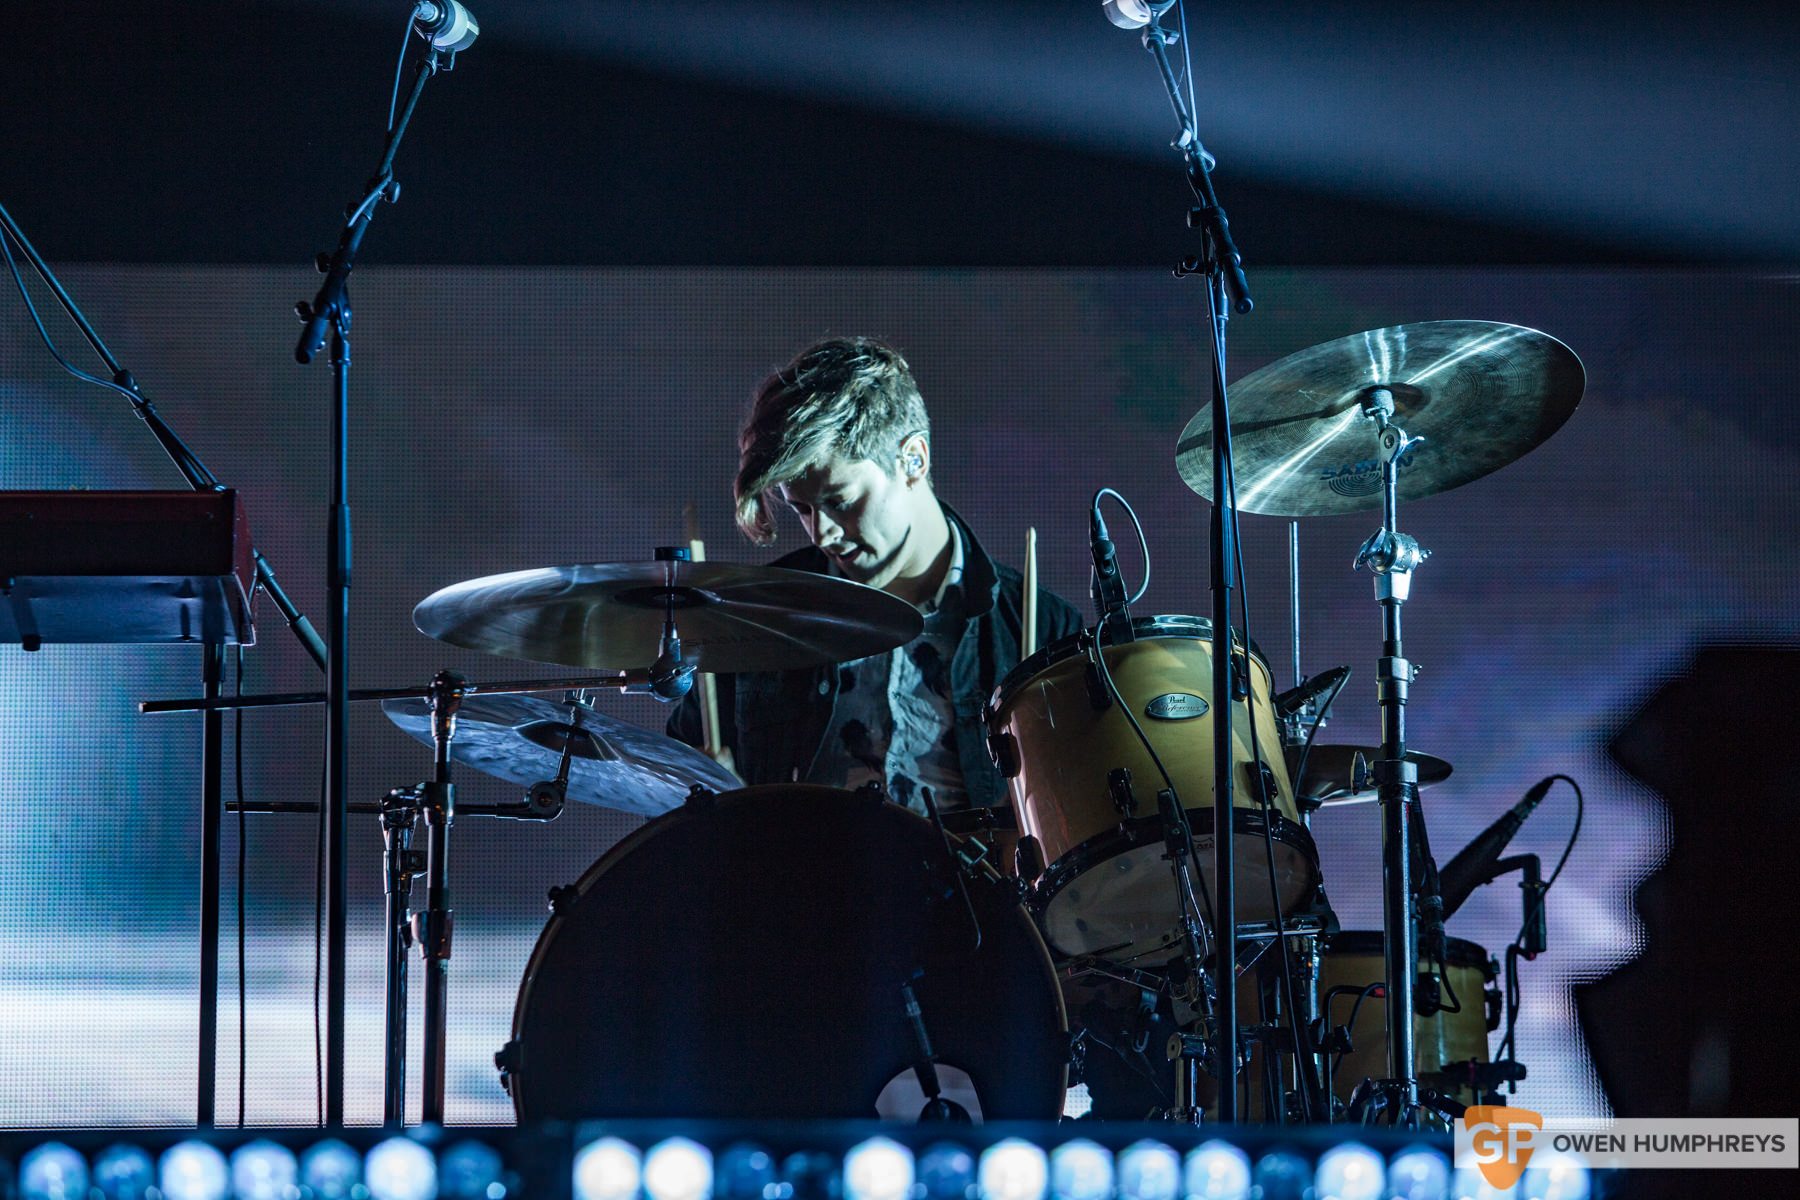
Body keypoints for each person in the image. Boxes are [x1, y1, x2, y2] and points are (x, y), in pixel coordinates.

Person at [669, 335, 1083, 815]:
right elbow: (673, 786)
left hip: (973, 888)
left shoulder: (1044, 630)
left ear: (913, 460)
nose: (821, 533)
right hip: (798, 884)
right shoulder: (757, 614)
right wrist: (701, 794)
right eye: (801, 509)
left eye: (839, 502)